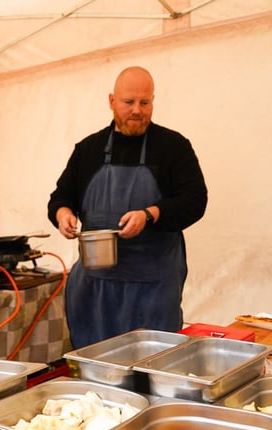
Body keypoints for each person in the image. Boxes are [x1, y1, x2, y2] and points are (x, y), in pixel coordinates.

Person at [47, 66, 208, 349]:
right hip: (96, 287)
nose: (137, 110)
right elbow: (60, 197)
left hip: (153, 287)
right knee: (96, 368)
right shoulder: (88, 149)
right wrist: (64, 215)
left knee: (151, 368)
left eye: (145, 103)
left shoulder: (173, 147)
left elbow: (195, 201)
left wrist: (150, 214)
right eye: (128, 102)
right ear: (112, 101)